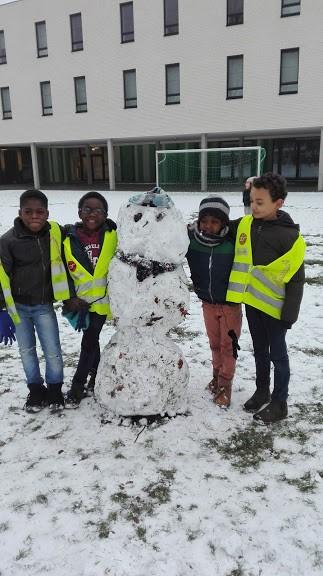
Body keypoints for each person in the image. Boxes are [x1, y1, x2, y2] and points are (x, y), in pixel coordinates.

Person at [227, 173, 306, 423]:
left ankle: (279, 401)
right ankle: (262, 391)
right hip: (253, 303)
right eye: (251, 200)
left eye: (260, 202)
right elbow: (222, 226)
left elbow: (296, 279)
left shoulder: (289, 237)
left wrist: (289, 315)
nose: (254, 206)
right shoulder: (246, 224)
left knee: (278, 356)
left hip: (276, 310)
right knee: (259, 351)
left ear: (278, 203)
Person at [0, 189, 70, 412]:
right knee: (26, 350)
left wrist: (106, 222)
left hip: (43, 306)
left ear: (47, 213)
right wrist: (1, 309)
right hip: (18, 308)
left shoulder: (55, 233)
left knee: (52, 349)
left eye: (40, 211)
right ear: (20, 212)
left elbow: (80, 231)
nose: (34, 216)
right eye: (28, 212)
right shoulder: (8, 241)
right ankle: (35, 389)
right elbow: (1, 276)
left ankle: (55, 389)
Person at [186, 196, 242, 408]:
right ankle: (216, 377)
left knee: (228, 347)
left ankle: (225, 386)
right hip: (207, 303)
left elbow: (251, 227)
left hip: (230, 305)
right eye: (204, 221)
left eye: (215, 221)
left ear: (224, 224)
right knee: (214, 343)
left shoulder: (233, 241)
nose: (208, 226)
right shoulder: (192, 240)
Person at [63, 191, 117, 406]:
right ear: (79, 212)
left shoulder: (113, 235)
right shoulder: (68, 238)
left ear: (105, 215)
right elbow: (64, 272)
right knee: (91, 342)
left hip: (102, 303)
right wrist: (69, 298)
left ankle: (77, 386)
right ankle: (96, 376)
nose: (92, 214)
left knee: (88, 342)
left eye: (98, 210)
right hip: (81, 303)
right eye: (87, 209)